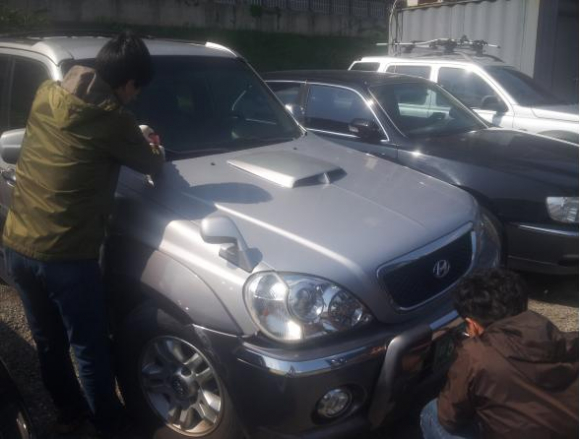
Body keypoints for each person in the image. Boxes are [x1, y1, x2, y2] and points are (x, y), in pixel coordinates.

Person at [2, 32, 164, 437]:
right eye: (137, 90)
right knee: (88, 347)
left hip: (17, 245)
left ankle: (69, 412)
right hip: (68, 258)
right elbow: (150, 163)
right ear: (128, 83)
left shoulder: (46, 92)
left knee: (47, 340)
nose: (135, 97)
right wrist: (152, 143)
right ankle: (109, 424)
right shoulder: (115, 120)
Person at [421, 269, 578, 439]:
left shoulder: (476, 355)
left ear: (472, 324)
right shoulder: (567, 340)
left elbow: (449, 418)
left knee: (432, 412)